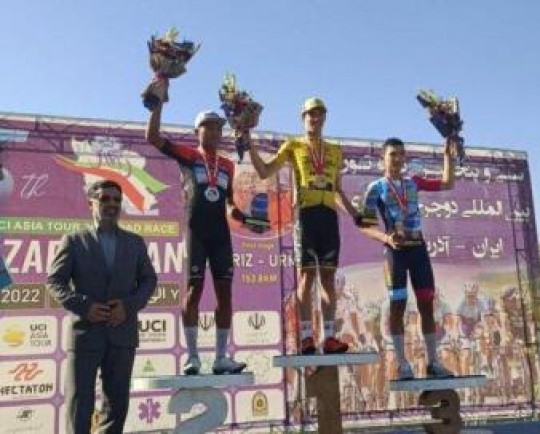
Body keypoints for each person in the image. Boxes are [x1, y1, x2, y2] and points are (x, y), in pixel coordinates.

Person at [146, 90, 247, 375]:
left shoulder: (228, 165)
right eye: (208, 127)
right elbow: (153, 137)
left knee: (225, 295)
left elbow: (229, 202)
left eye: (218, 128)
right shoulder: (189, 156)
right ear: (197, 131)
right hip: (196, 232)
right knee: (193, 291)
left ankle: (221, 358)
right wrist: (157, 104)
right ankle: (192, 357)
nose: (214, 132)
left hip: (220, 235)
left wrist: (240, 215)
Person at [47, 179, 157, 434]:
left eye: (117, 200)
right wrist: (84, 306)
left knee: (116, 406)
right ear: (91, 203)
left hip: (122, 334)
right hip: (85, 334)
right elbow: (54, 281)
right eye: (105, 199)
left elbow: (149, 280)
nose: (112, 204)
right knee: (79, 406)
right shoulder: (74, 241)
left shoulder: (135, 242)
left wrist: (128, 306)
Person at [248, 97, 350, 354]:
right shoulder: (293, 145)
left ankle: (329, 337)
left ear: (324, 118)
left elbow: (337, 190)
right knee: (306, 276)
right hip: (305, 215)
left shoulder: (335, 150)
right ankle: (306, 337)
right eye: (310, 114)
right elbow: (265, 171)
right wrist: (247, 141)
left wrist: (356, 214)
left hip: (328, 216)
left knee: (328, 277)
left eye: (319, 114)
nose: (315, 118)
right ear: (303, 118)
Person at [359, 137, 457, 379]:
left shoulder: (413, 182)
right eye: (392, 154)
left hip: (418, 250)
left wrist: (448, 157)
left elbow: (447, 183)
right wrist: (386, 238)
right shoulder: (376, 188)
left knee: (427, 305)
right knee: (398, 306)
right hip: (395, 253)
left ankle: (433, 363)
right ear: (383, 158)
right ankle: (403, 364)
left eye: (401, 154)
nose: (398, 159)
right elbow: (364, 225)